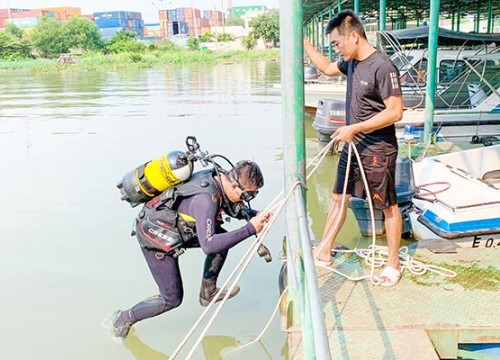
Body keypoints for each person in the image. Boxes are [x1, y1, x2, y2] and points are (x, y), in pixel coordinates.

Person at [112, 160, 271, 338]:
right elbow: (209, 245)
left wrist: (253, 214)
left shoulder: (216, 178)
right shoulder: (206, 199)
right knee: (171, 299)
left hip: (173, 226)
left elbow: (230, 208)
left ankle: (207, 293)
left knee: (223, 237)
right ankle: (124, 318)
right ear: (234, 185)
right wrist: (250, 229)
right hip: (155, 236)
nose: (246, 200)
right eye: (247, 196)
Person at [304, 10, 404, 286]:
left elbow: (395, 112)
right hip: (353, 146)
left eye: (337, 43)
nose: (335, 49)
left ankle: (393, 264)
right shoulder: (352, 64)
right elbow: (325, 68)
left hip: (378, 150)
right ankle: (324, 250)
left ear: (354, 37)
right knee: (338, 198)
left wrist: (355, 128)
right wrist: (301, 41)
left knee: (388, 206)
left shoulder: (382, 67)